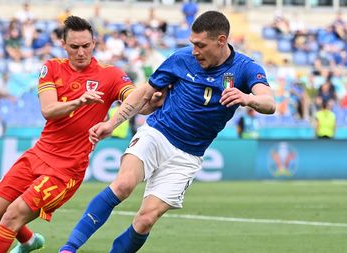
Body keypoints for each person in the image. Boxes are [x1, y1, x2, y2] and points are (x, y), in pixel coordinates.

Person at [59, 10, 276, 253]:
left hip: (188, 155)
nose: (194, 50)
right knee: (123, 185)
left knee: (145, 220)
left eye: (201, 45)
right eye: (192, 43)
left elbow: (269, 103)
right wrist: (112, 124)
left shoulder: (245, 68)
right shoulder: (181, 58)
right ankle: (69, 248)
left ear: (221, 41)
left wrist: (247, 98)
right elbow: (144, 93)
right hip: (157, 133)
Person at [0, 16, 162, 253]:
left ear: (94, 43)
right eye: (74, 47)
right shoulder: (52, 67)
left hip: (66, 169)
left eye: (86, 46)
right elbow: (48, 110)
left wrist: (152, 102)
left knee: (13, 215)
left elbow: (135, 101)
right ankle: (29, 241)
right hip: (39, 154)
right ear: (64, 45)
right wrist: (79, 101)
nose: (81, 52)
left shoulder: (111, 75)